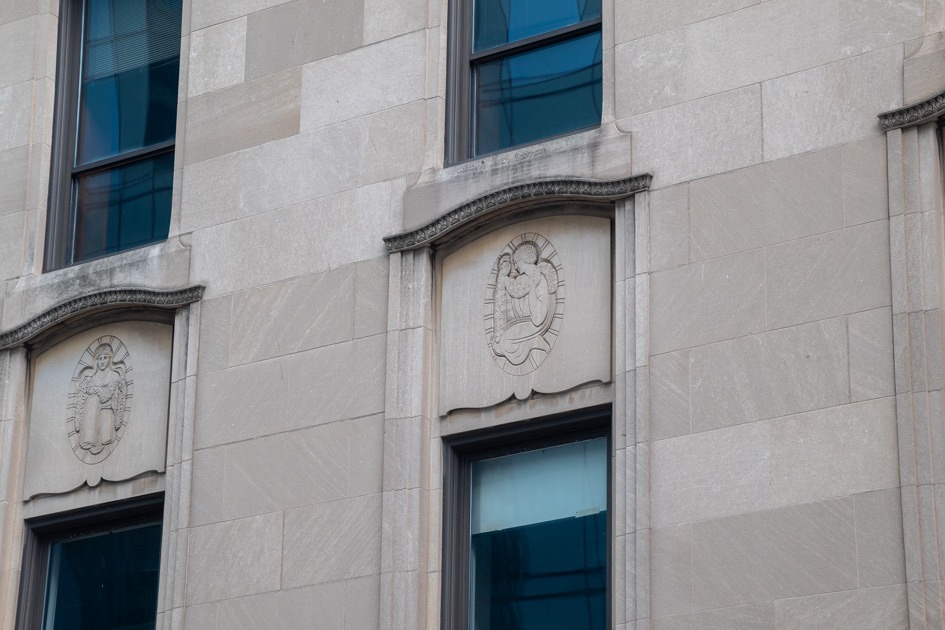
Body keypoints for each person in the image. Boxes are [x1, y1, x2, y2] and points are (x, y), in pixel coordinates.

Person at [74, 343, 126, 454]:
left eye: (105, 358)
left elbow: (118, 397)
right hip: (92, 413)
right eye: (99, 358)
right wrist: (97, 395)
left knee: (105, 438)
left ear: (110, 359)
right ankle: (88, 438)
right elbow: (83, 398)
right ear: (96, 360)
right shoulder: (90, 378)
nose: (102, 361)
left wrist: (105, 396)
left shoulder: (114, 376)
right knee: (92, 400)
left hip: (107, 411)